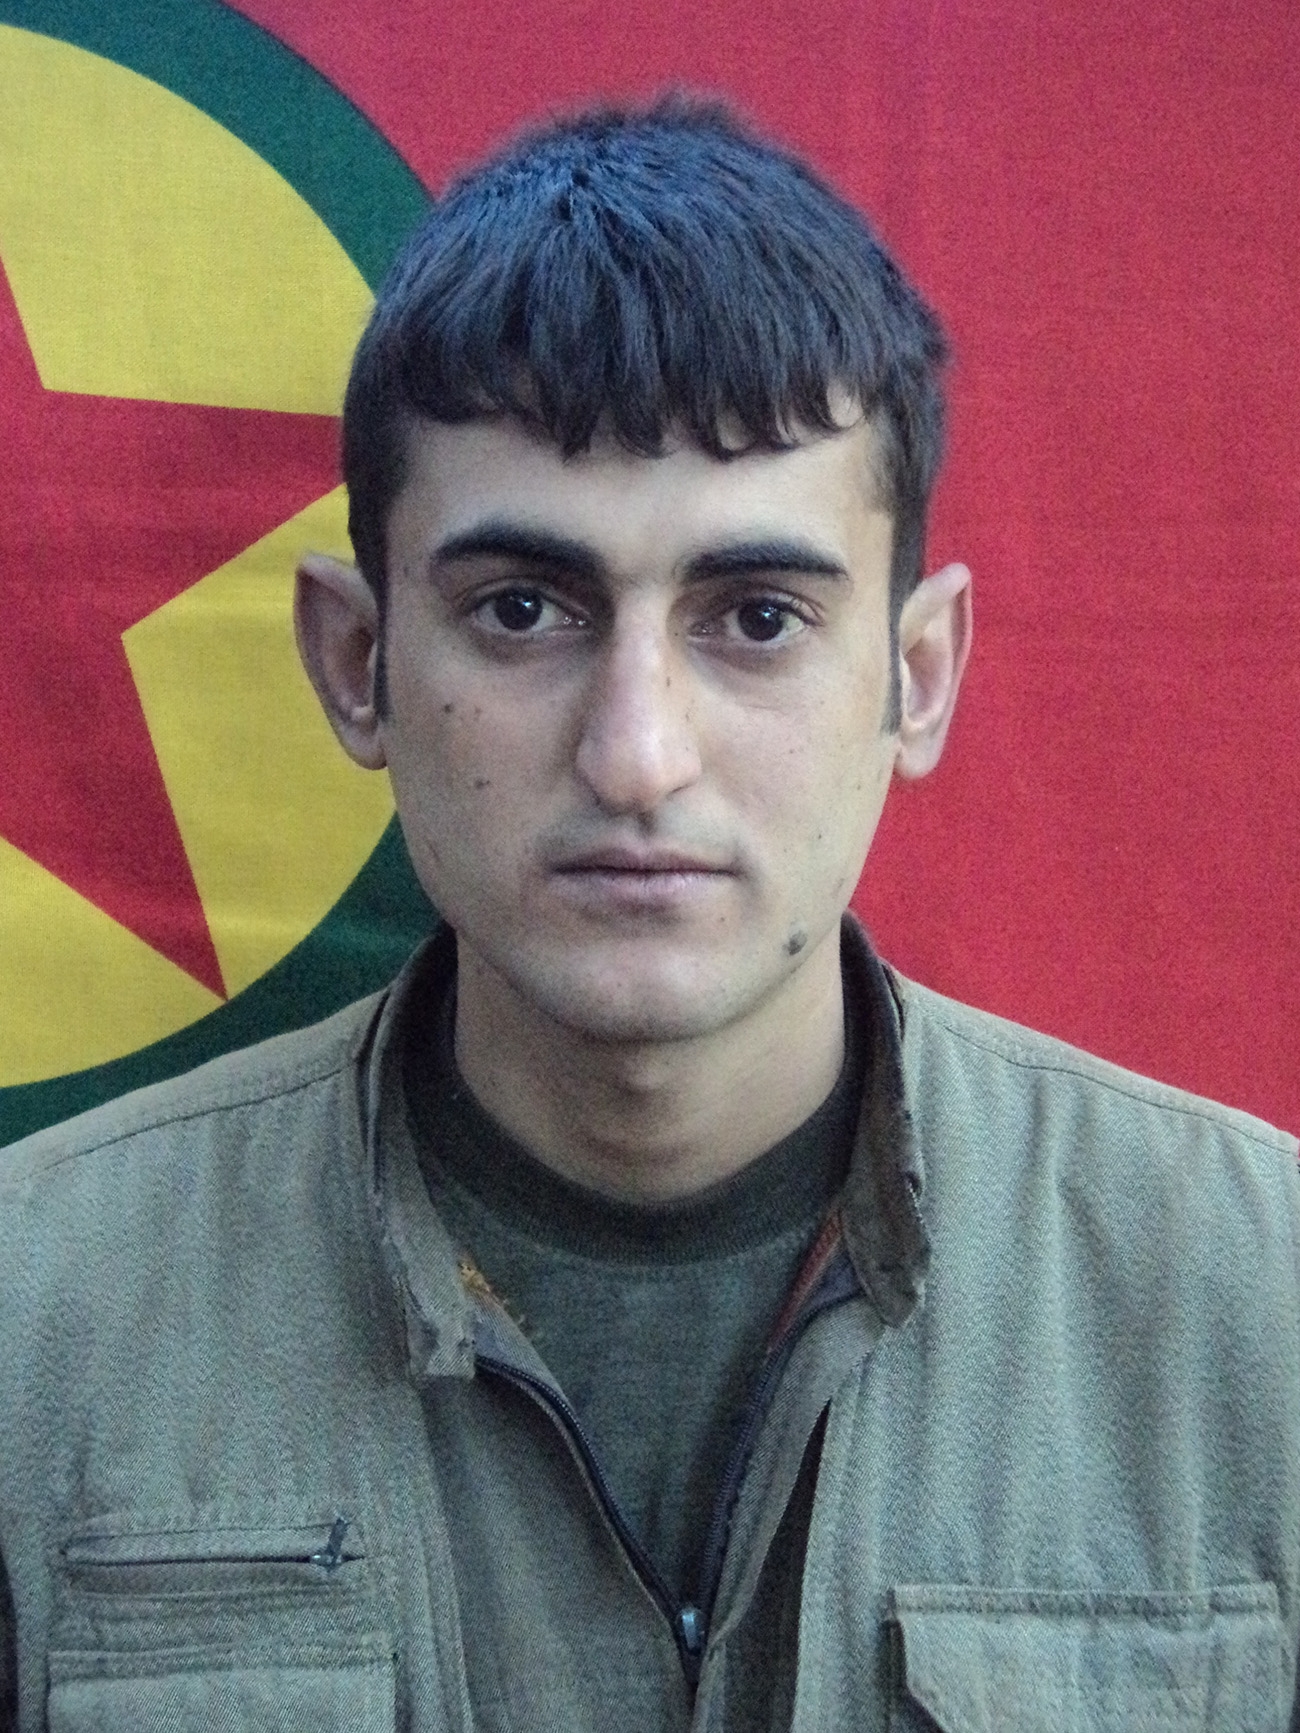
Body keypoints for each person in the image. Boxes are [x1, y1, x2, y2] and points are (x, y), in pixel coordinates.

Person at [1, 97, 1297, 1733]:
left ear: (916, 677)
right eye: (521, 609)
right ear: (358, 663)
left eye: (755, 618)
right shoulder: (32, 1324)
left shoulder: (1261, 1309)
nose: (636, 755)